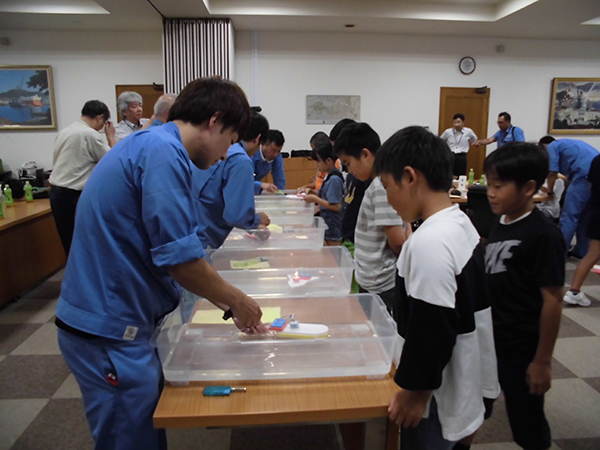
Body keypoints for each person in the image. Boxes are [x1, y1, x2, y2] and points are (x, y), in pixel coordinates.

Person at [54, 77, 266, 450]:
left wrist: (224, 302)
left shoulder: (151, 143)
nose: (223, 156)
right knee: (129, 437)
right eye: (229, 142)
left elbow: (168, 249)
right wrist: (239, 301)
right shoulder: (163, 152)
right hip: (108, 327)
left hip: (117, 319)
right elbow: (181, 260)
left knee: (143, 430)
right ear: (214, 121)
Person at [375, 126, 499, 450]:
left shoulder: (430, 242)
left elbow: (432, 325)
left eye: (387, 186)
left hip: (437, 394)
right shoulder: (457, 221)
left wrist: (416, 395)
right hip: (466, 375)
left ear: (409, 177)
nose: (387, 197)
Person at [483, 141, 565, 450]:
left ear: (529, 188)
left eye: (499, 186)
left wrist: (542, 361)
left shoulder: (543, 234)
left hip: (522, 346)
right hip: (493, 338)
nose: (490, 192)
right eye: (489, 184)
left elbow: (553, 300)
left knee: (526, 420)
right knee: (480, 406)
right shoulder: (501, 220)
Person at [334, 122, 406, 313]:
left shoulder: (382, 187)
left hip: (382, 282)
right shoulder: (376, 184)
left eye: (348, 163)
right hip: (372, 278)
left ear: (365, 154)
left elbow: (397, 242)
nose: (348, 171)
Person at [194, 111, 271, 249]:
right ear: (258, 139)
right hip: (202, 237)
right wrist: (256, 220)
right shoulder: (241, 160)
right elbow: (236, 215)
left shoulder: (221, 149)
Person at [49, 100, 116, 255]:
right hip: (74, 194)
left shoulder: (66, 131)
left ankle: (74, 276)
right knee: (84, 241)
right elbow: (113, 161)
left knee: (69, 240)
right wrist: (111, 137)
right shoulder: (89, 134)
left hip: (57, 192)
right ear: (100, 118)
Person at [538, 136, 598, 259]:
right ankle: (582, 251)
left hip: (584, 176)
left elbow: (552, 172)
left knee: (568, 217)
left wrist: (549, 191)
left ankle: (558, 254)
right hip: (596, 172)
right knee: (584, 216)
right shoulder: (566, 143)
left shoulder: (552, 147)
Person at [563, 154, 600, 307]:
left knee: (592, 254)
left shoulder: (597, 160)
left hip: (596, 212)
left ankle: (574, 291)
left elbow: (590, 185)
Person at [303, 142, 344, 246]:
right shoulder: (328, 176)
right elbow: (326, 196)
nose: (317, 165)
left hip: (333, 224)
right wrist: (313, 193)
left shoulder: (334, 179)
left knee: (333, 256)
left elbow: (336, 206)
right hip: (326, 221)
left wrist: (315, 199)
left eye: (318, 161)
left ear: (329, 161)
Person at [252, 129, 286, 194]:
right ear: (263, 144)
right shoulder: (251, 154)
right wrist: (261, 185)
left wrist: (281, 199)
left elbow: (279, 179)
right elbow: (244, 180)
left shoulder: (277, 157)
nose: (275, 154)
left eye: (278, 151)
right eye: (273, 150)